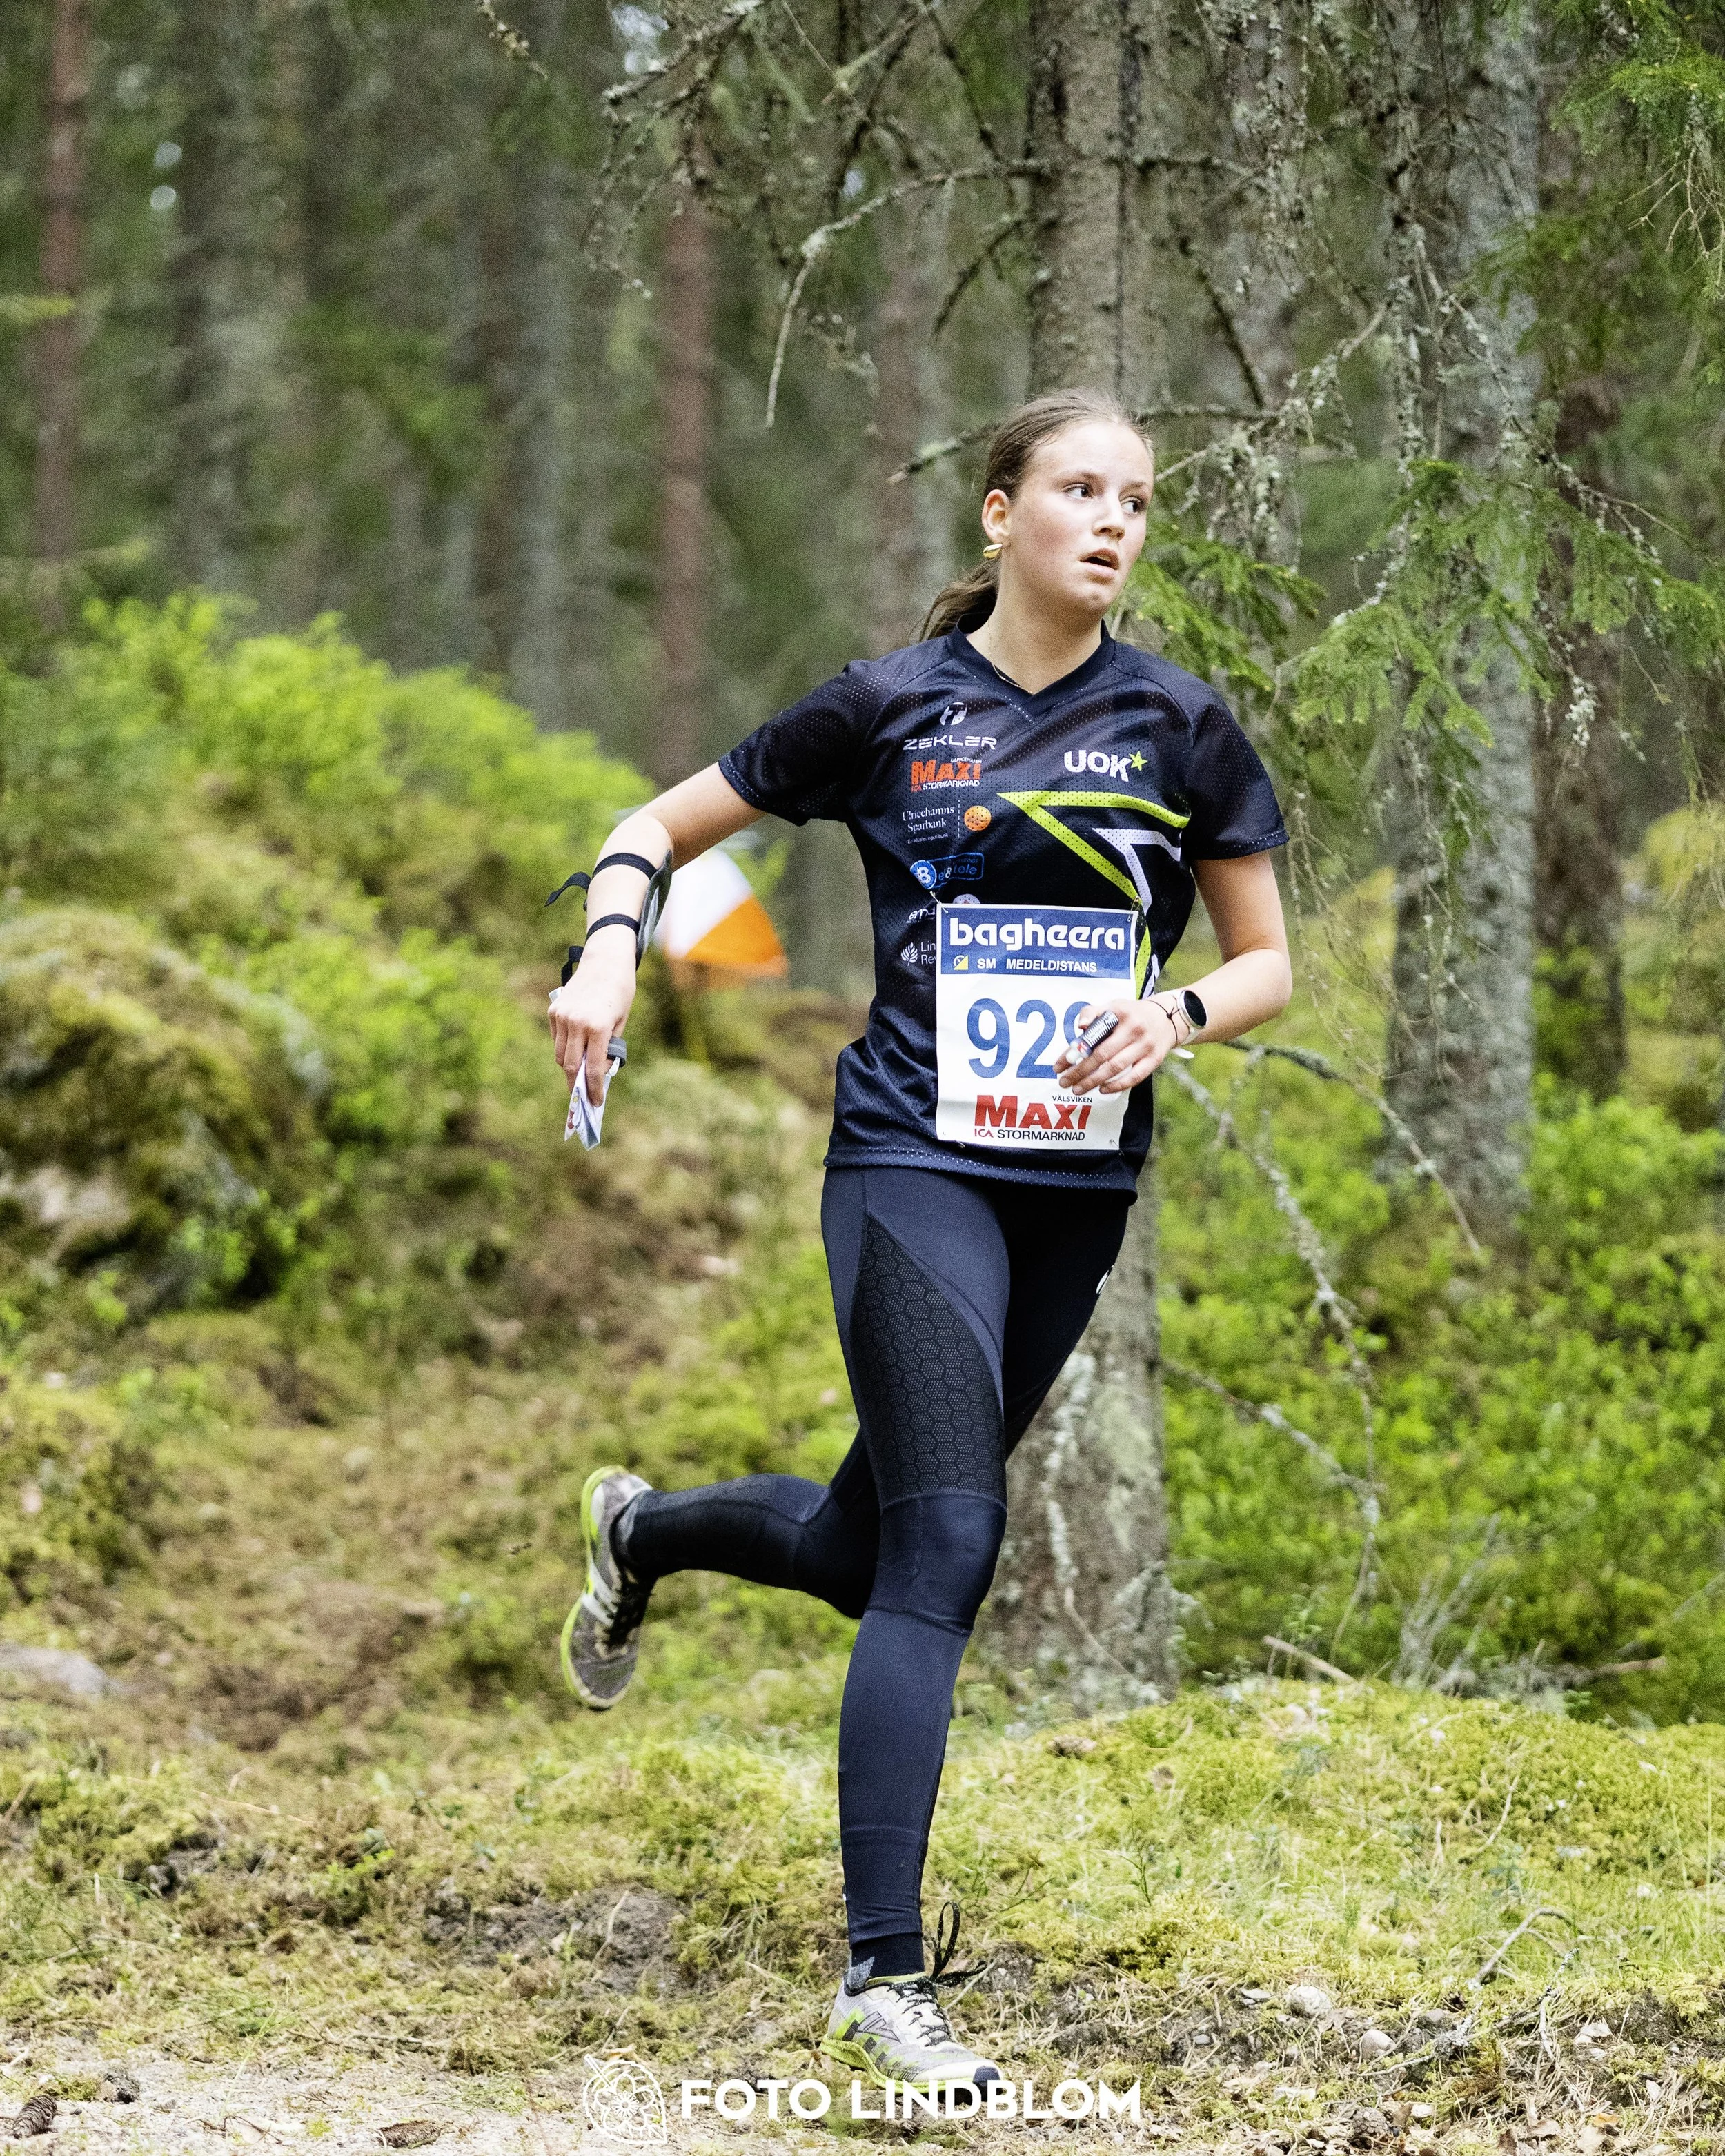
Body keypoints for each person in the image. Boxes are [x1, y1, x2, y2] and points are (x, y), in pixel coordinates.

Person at [546, 388, 1292, 2094]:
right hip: (905, 1158)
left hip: (1072, 1187)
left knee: (859, 1544)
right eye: (1078, 490)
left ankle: (643, 1532)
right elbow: (653, 828)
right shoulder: (890, 704)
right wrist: (607, 952)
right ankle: (883, 1982)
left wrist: (1174, 1017)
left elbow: (1267, 962)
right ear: (997, 512)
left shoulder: (1179, 722)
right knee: (949, 1542)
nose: (1111, 521)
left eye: (1136, 499)